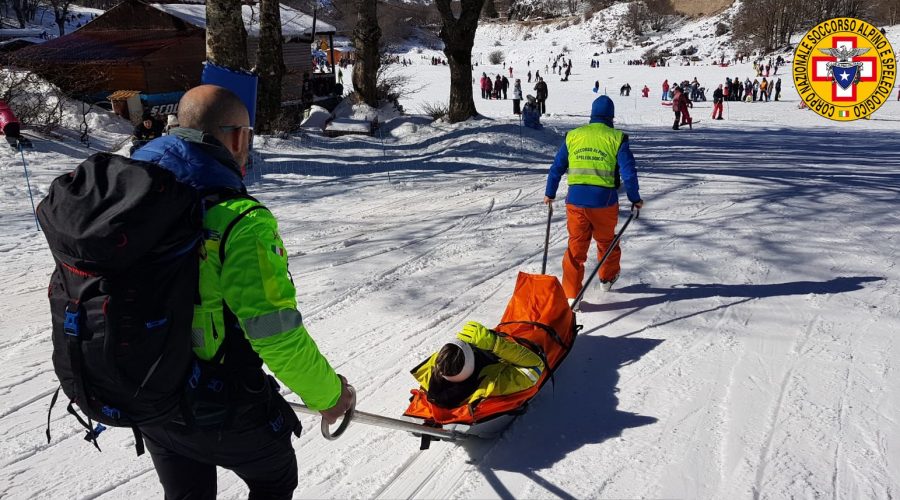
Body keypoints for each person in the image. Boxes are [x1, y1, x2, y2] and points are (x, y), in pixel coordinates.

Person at [131, 85, 354, 499]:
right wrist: (330, 395)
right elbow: (275, 333)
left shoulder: (132, 194)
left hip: (148, 393)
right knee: (275, 476)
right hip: (216, 401)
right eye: (247, 136)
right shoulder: (240, 221)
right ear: (236, 138)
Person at [543, 96, 643, 303]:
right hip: (603, 201)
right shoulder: (616, 138)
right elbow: (628, 172)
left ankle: (571, 295)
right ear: (611, 117)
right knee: (607, 242)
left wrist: (550, 193)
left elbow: (557, 168)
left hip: (575, 201)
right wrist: (635, 198)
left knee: (575, 247)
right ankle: (606, 278)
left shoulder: (573, 136)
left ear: (592, 114)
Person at [411, 321, 545, 409]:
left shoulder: (435, 370)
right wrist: (495, 344)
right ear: (471, 362)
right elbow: (535, 366)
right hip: (529, 337)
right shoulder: (493, 384)